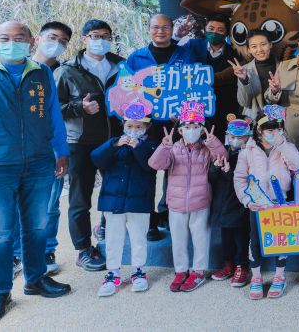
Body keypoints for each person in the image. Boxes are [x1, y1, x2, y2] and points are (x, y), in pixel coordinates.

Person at [0, 21, 71, 325]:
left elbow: (53, 115)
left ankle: (35, 278)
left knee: (38, 225)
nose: (12, 43)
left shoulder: (41, 72)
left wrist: (62, 151)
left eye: (19, 38)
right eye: (5, 38)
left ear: (31, 42)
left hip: (39, 161)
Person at [126, 14, 205, 239]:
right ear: (149, 29)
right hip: (146, 127)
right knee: (146, 172)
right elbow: (128, 90)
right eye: (155, 27)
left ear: (173, 29)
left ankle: (168, 214)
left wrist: (184, 113)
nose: (160, 31)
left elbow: (194, 89)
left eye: (165, 27)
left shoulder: (186, 54)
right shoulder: (137, 57)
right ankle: (148, 221)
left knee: (175, 171)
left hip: (175, 125)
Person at [54, 19, 124, 270]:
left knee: (114, 190)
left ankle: (104, 228)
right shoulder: (66, 70)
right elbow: (53, 109)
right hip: (80, 143)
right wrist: (79, 108)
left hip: (113, 141)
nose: (100, 40)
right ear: (84, 39)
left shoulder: (121, 65)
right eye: (95, 35)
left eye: (106, 36)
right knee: (80, 198)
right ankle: (83, 249)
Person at [148, 100, 228, 293]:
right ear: (180, 130)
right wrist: (163, 146)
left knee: (201, 238)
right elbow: (155, 164)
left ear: (202, 129)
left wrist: (213, 142)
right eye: (187, 126)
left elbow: (223, 156)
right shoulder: (173, 148)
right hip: (176, 204)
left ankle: (198, 272)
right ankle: (181, 270)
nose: (191, 130)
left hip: (200, 202)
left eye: (195, 126)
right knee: (178, 239)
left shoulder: (207, 149)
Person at [15, 21, 73, 277]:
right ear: (36, 39)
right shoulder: (5, 68)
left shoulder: (60, 72)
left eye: (63, 42)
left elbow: (56, 118)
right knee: (14, 204)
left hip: (48, 150)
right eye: (52, 37)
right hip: (12, 151)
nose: (56, 44)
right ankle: (17, 255)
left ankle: (46, 251)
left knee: (49, 205)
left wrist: (61, 151)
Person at [233, 104, 299, 299]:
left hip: (279, 202)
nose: (273, 132)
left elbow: (297, 164)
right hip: (257, 204)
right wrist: (247, 200)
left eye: (278, 127)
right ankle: (256, 277)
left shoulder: (285, 147)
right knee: (255, 240)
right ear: (259, 129)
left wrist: (281, 143)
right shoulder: (248, 149)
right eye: (269, 128)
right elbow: (239, 178)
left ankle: (279, 276)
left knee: (280, 240)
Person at [90, 103, 158, 296]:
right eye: (129, 126)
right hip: (113, 201)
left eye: (139, 127)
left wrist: (138, 148)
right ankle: (113, 272)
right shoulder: (114, 143)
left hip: (139, 202)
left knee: (138, 238)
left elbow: (151, 165)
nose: (133, 130)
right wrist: (113, 145)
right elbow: (95, 158)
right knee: (113, 238)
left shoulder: (150, 144)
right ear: (123, 125)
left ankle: (139, 271)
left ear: (146, 127)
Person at [181, 14, 243, 138]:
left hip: (225, 106)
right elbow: (174, 58)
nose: (215, 33)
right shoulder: (192, 46)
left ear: (226, 33)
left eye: (220, 30)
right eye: (211, 28)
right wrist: (177, 37)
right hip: (197, 106)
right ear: (205, 29)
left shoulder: (235, 52)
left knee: (220, 142)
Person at [209, 117, 253, 289]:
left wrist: (229, 172)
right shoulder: (222, 152)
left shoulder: (249, 154)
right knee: (226, 236)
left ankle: (242, 266)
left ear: (248, 137)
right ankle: (228, 264)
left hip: (239, 205)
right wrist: (215, 167)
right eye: (231, 136)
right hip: (222, 204)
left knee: (241, 237)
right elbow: (211, 179)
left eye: (239, 137)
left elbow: (247, 181)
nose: (234, 140)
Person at [233, 29, 277, 122]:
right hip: (254, 121)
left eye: (263, 44)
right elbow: (243, 102)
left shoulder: (283, 67)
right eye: (254, 46)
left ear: (270, 44)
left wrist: (276, 91)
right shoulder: (244, 70)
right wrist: (244, 80)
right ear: (249, 50)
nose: (259, 50)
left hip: (279, 121)